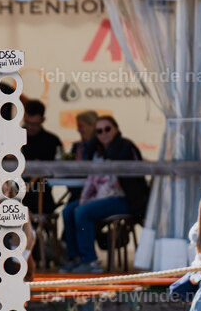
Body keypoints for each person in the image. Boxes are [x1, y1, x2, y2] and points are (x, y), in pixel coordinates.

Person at [60, 116, 148, 273]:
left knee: (82, 212)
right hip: (101, 196)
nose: (104, 133)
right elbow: (92, 180)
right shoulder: (97, 151)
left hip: (125, 198)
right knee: (68, 210)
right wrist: (85, 198)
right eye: (99, 131)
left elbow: (130, 180)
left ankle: (90, 261)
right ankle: (76, 258)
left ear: (116, 128)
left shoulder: (126, 147)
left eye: (107, 129)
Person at [21, 99, 62, 214]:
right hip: (16, 194)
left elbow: (59, 170)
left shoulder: (52, 141)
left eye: (34, 124)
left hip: (42, 195)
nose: (29, 127)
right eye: (27, 122)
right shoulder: (13, 139)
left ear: (43, 120)